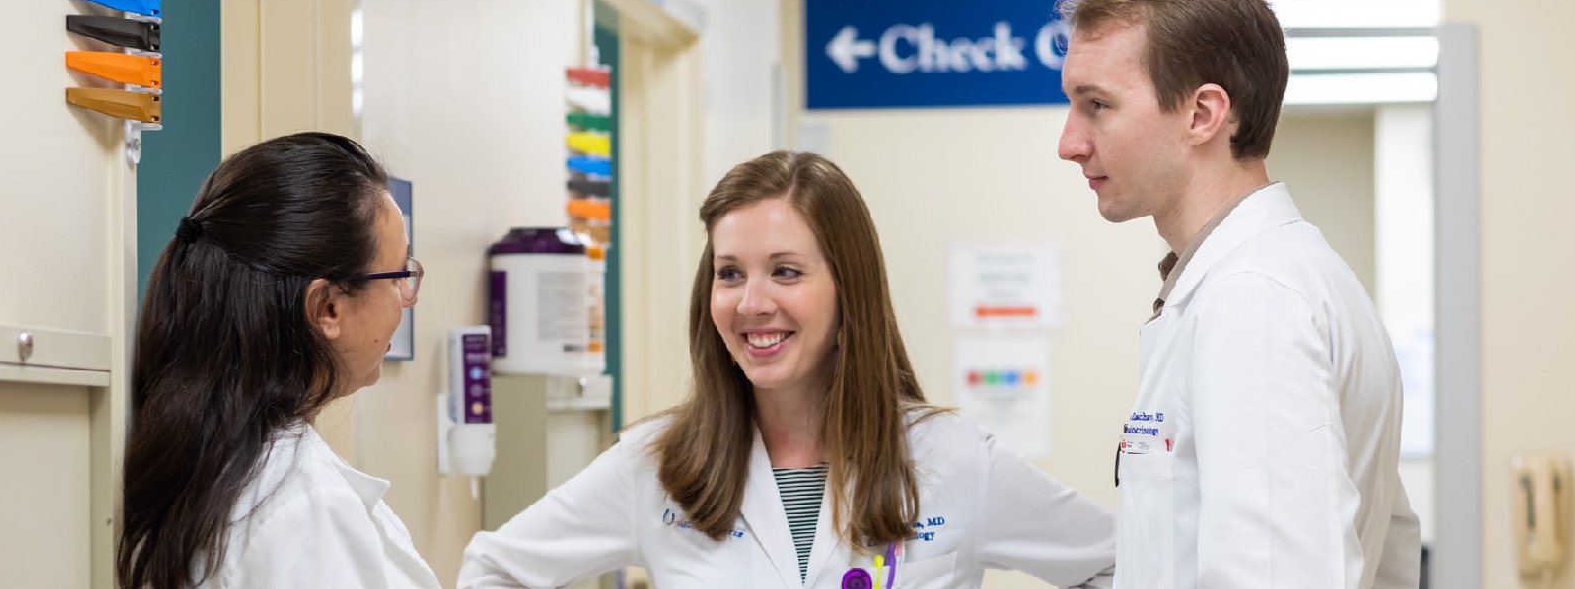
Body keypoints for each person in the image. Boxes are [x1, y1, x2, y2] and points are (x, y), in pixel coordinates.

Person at [459, 151, 1116, 588]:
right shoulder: (656, 466)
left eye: (786, 272)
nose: (751, 304)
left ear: (846, 287)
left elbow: (1121, 564)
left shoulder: (954, 460)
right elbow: (494, 568)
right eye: (729, 274)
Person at [1055, 0, 1421, 589]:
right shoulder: (1279, 280)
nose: (1070, 142)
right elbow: (1389, 551)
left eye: (1097, 105)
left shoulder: (1253, 299)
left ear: (1202, 114)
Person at [116, 132, 439, 589]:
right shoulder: (303, 506)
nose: (407, 299)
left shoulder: (201, 458)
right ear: (327, 308)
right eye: (399, 276)